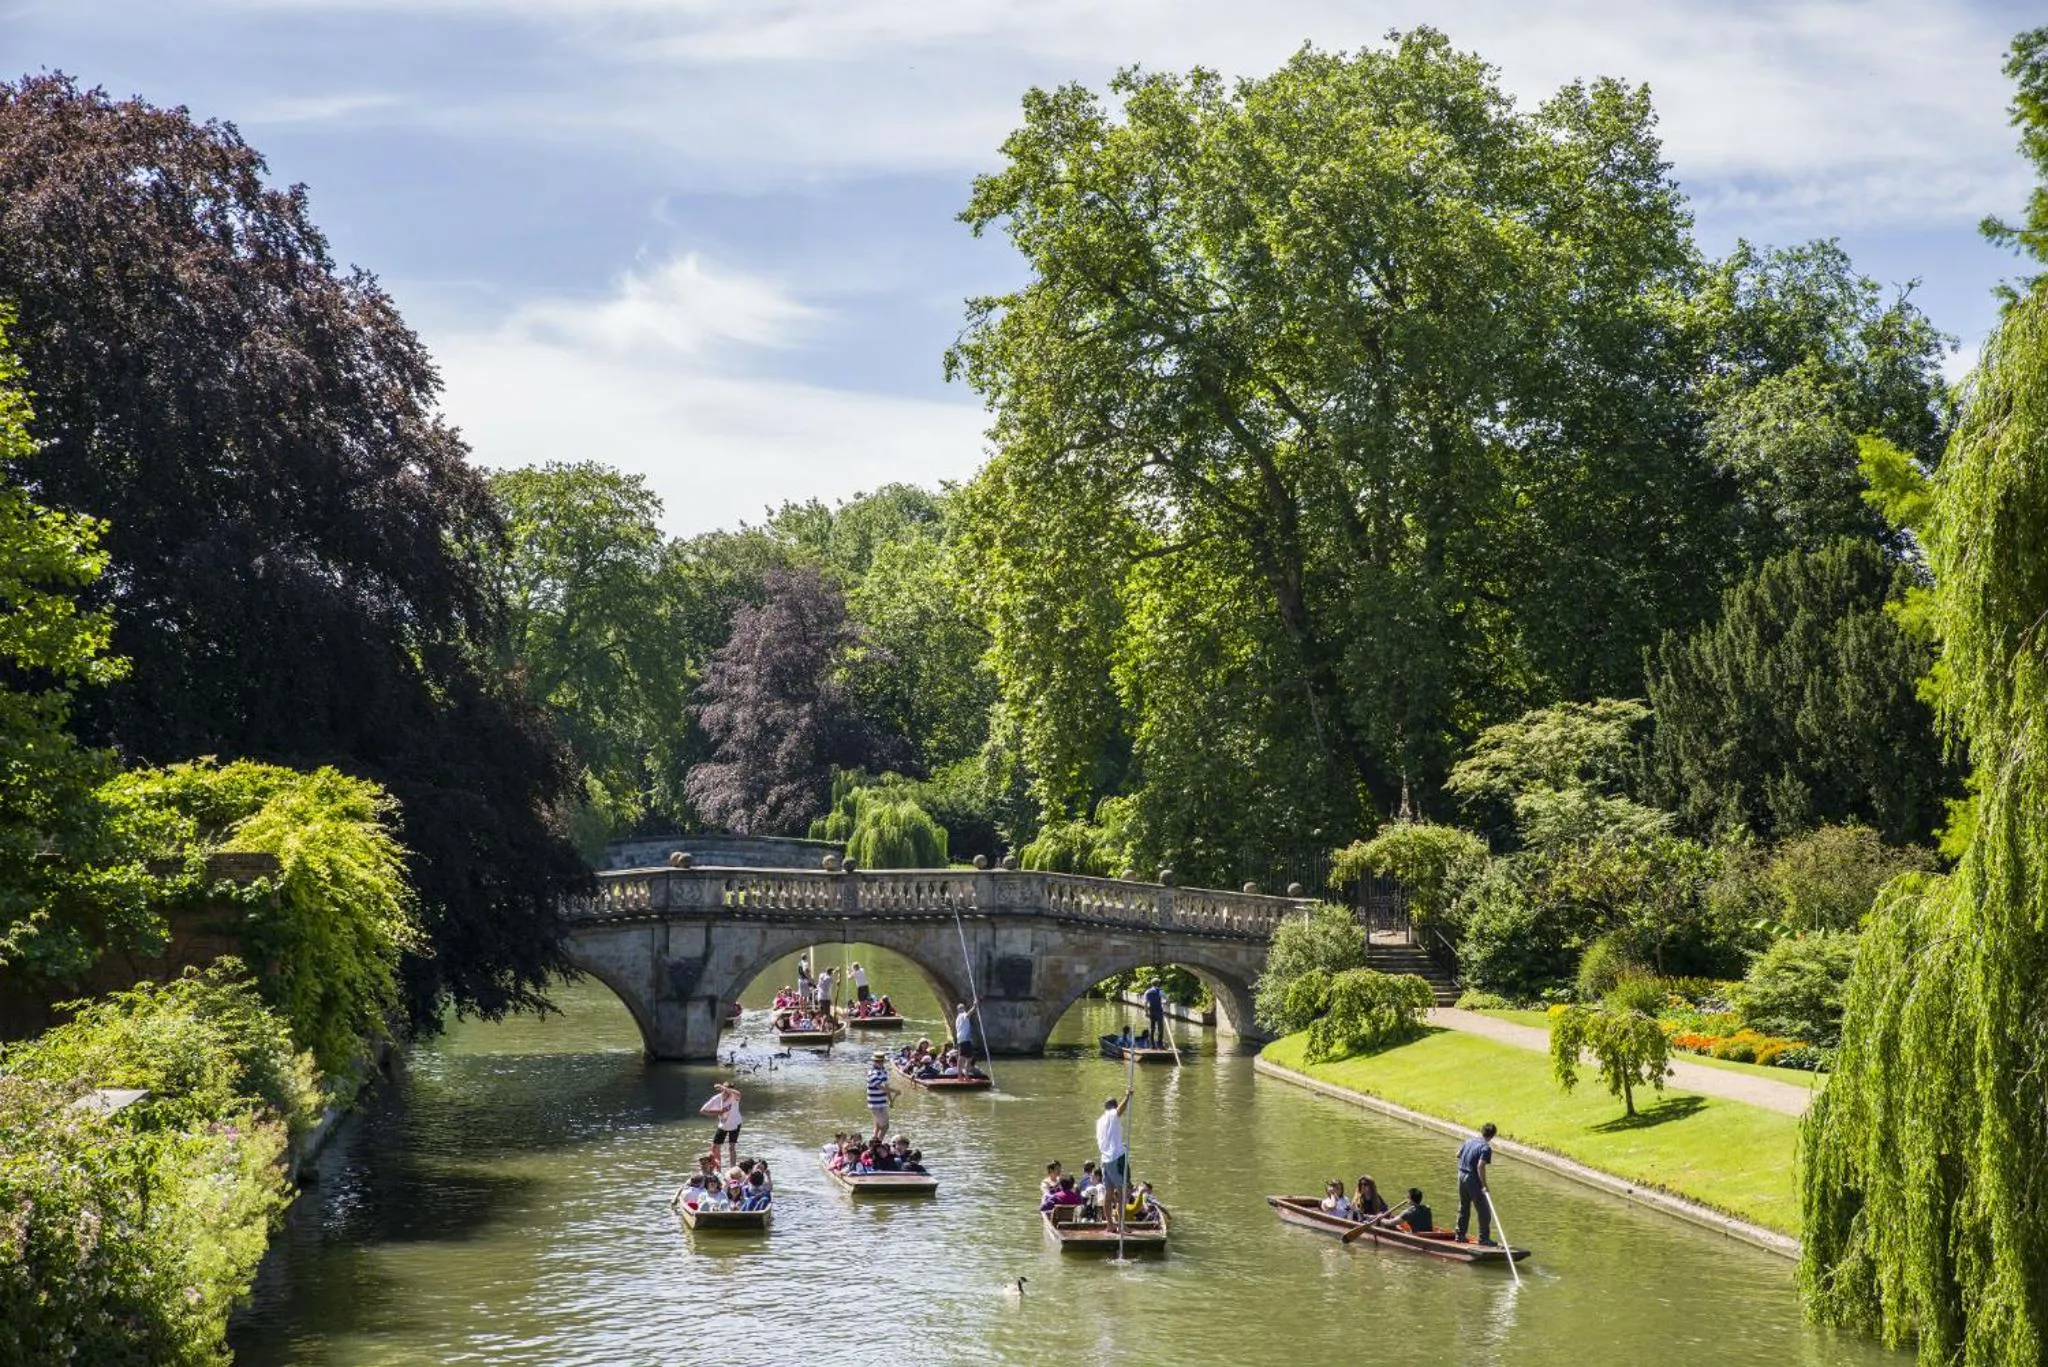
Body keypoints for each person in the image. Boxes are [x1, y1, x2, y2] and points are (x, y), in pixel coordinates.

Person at [1096, 1087, 1133, 1230]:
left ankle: (1110, 1225)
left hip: (1105, 1160)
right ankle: (1122, 1225)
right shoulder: (1112, 1114)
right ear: (1113, 1106)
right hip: (1116, 1157)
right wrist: (1127, 1096)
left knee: (1108, 1192)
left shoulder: (1099, 1121)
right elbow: (1119, 1111)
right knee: (1123, 1191)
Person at [1456, 1122, 1498, 1245]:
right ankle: (1483, 1238)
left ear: (1482, 1131)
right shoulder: (1485, 1148)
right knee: (1484, 1209)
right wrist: (1484, 1185)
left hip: (1461, 1175)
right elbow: (1480, 1166)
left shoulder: (1469, 1141)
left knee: (1464, 1206)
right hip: (1472, 1178)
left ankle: (1460, 1235)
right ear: (1493, 1135)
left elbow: (1458, 1154)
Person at [707, 1080, 743, 1170]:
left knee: (732, 1147)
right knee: (715, 1146)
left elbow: (738, 1093)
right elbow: (705, 1109)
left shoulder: (734, 1096)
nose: (724, 1091)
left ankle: (732, 1168)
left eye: (727, 1088)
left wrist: (723, 1087)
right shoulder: (719, 1097)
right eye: (723, 1088)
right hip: (723, 1124)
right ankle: (718, 1168)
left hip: (735, 1123)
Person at [865, 1050, 897, 1139]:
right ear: (874, 1062)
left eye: (881, 1061)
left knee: (878, 1125)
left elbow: (887, 1087)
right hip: (875, 1104)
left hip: (882, 1103)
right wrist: (895, 1091)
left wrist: (890, 1101)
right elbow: (881, 1088)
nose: (880, 1063)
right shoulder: (872, 1074)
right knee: (885, 1127)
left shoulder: (884, 1072)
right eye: (878, 1061)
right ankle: (878, 1143)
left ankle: (874, 1141)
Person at [953, 1000, 979, 1064]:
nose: (963, 1009)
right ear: (958, 1010)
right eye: (961, 1008)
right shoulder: (962, 1015)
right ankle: (965, 1072)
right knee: (969, 1057)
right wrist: (974, 1006)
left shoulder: (958, 1018)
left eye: (963, 1008)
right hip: (965, 1038)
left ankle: (961, 1072)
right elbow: (968, 1014)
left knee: (962, 1055)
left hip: (960, 1039)